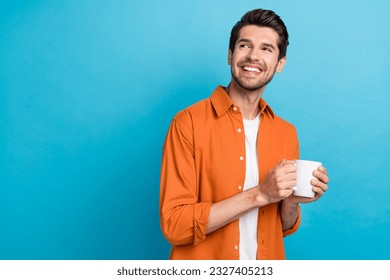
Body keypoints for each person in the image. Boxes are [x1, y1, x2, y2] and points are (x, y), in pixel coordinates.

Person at [159, 8, 329, 260]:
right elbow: (174, 225)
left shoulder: (286, 133)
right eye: (244, 45)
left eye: (266, 49)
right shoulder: (188, 123)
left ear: (280, 64)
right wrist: (260, 194)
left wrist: (292, 201)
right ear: (230, 55)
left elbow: (278, 227)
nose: (253, 57)